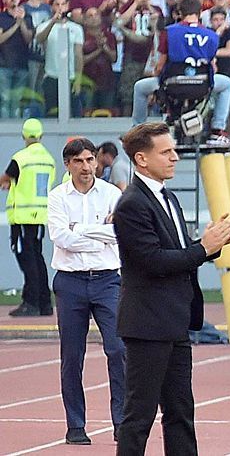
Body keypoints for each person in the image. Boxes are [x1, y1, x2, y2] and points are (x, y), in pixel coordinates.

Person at [113, 122, 230, 455]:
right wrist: (203, 247)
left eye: (174, 150)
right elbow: (153, 261)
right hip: (147, 325)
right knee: (139, 416)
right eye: (167, 152)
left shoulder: (168, 196)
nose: (175, 157)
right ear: (141, 159)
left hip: (174, 321)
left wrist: (214, 243)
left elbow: (180, 252)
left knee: (180, 413)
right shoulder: (131, 204)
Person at [46, 137, 125, 445]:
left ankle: (122, 422)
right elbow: (60, 237)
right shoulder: (57, 197)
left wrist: (80, 229)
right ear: (67, 164)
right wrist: (100, 233)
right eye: (78, 161)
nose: (86, 167)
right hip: (70, 282)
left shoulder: (111, 194)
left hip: (107, 280)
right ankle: (75, 425)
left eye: (90, 160)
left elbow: (120, 233)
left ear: (97, 161)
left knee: (119, 350)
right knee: (72, 356)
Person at [131, 0, 230, 146]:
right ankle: (217, 130)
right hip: (202, 85)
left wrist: (156, 77)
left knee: (140, 87)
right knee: (226, 84)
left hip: (172, 85)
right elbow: (213, 68)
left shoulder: (169, 32)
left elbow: (160, 66)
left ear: (180, 13)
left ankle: (138, 132)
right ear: (200, 13)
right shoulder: (212, 35)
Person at [0, 118, 55, 316]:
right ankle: (45, 303)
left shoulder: (20, 158)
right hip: (40, 215)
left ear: (24, 135)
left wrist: (8, 184)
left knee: (26, 259)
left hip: (22, 215)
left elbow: (5, 178)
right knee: (38, 258)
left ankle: (30, 303)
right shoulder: (48, 159)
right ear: (40, 136)